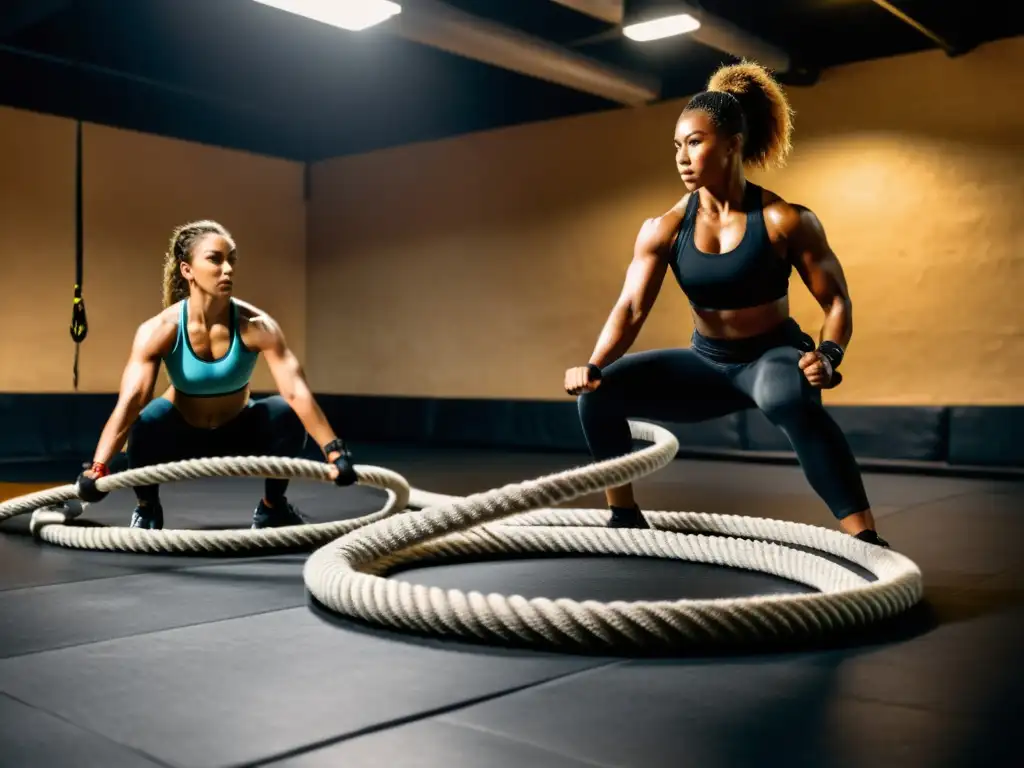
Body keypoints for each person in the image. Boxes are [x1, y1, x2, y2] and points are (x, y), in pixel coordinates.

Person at [564, 61, 888, 547]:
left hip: (771, 361)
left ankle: (865, 537)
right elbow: (631, 307)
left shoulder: (785, 220)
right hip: (707, 364)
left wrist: (828, 355)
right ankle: (624, 517)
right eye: (677, 145)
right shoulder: (665, 229)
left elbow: (836, 300)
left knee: (788, 397)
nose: (682, 156)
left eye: (695, 142)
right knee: (599, 394)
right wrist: (593, 364)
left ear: (732, 143)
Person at [76, 220, 357, 530]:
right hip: (180, 434)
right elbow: (131, 402)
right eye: (215, 259)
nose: (228, 269)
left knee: (285, 413)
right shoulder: (160, 330)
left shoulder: (256, 325)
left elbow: (296, 392)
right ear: (187, 270)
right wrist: (98, 468)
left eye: (231, 260)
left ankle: (272, 507)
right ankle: (147, 508)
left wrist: (334, 452)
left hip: (238, 432)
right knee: (143, 425)